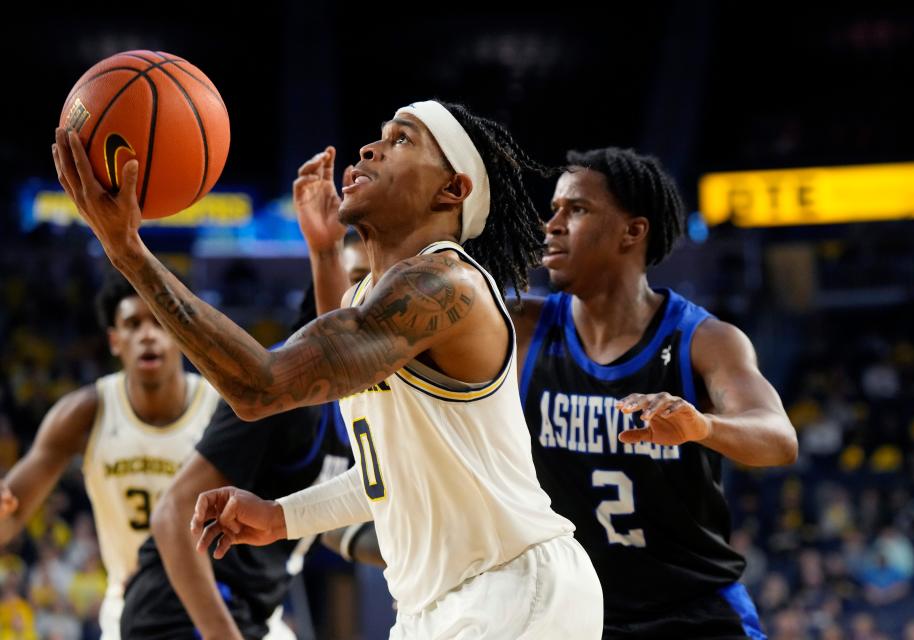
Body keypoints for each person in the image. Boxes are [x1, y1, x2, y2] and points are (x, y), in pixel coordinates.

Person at [52, 100, 603, 639]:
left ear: (452, 189)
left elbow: (261, 385)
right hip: (437, 607)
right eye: (381, 135)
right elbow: (387, 472)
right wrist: (279, 517)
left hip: (514, 588)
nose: (369, 147)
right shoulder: (381, 298)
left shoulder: (443, 283)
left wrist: (127, 251)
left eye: (401, 140)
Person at [513, 147, 798, 638]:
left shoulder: (704, 340)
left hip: (694, 611)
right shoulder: (521, 327)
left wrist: (704, 426)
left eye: (576, 209)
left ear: (633, 231)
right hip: (573, 616)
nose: (552, 224)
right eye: (555, 208)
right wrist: (329, 255)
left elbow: (778, 438)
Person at [120, 151, 374, 640]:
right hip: (181, 612)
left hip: (249, 613)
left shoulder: (368, 400)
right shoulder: (282, 390)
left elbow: (326, 515)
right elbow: (175, 513)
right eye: (358, 279)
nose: (374, 298)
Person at [0, 270, 220, 639]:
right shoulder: (85, 412)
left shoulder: (220, 409)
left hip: (220, 597)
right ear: (115, 341)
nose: (147, 335)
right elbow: (12, 513)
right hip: (131, 600)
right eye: (133, 324)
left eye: (160, 322)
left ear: (185, 332)